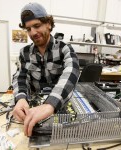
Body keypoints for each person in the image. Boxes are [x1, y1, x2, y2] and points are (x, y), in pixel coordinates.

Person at [12, 2, 80, 137]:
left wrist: (50, 104)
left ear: (48, 23)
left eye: (37, 26)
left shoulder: (64, 48)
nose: (33, 33)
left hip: (60, 105)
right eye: (28, 29)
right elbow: (20, 77)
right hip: (34, 110)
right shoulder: (24, 53)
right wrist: (20, 98)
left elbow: (73, 70)